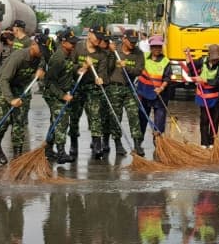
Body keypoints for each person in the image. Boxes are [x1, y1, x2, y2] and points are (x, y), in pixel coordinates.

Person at [0, 36, 46, 164]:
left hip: (20, 87)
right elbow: (4, 79)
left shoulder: (40, 58)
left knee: (19, 120)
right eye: (41, 49)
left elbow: (29, 76)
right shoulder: (19, 57)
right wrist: (11, 100)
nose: (42, 52)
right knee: (4, 121)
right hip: (2, 86)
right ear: (33, 44)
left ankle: (18, 154)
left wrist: (37, 76)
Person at [43, 28, 82, 164]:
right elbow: (49, 82)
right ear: (63, 43)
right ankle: (61, 153)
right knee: (62, 120)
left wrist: (79, 69)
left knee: (55, 122)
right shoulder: (58, 58)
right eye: (71, 43)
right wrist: (62, 96)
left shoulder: (68, 54)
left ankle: (48, 150)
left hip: (64, 91)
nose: (74, 45)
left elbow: (69, 68)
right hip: (54, 94)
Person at [69, 25, 108, 160]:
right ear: (90, 35)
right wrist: (80, 68)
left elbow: (103, 72)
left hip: (92, 88)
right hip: (77, 86)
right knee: (74, 116)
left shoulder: (101, 54)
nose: (99, 40)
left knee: (95, 115)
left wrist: (101, 78)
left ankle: (97, 143)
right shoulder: (78, 48)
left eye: (101, 38)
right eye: (98, 37)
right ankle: (73, 143)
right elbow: (69, 64)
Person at [106, 29, 145, 156]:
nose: (133, 44)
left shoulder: (139, 54)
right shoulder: (114, 49)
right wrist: (111, 54)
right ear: (124, 39)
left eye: (135, 42)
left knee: (134, 114)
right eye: (131, 41)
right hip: (114, 87)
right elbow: (105, 67)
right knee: (115, 117)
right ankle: (118, 144)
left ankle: (137, 145)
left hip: (129, 88)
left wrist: (126, 67)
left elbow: (139, 71)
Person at [186, 44, 219, 149]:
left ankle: (212, 142)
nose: (215, 61)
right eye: (213, 59)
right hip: (204, 96)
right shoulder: (202, 61)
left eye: (216, 59)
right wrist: (187, 56)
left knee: (215, 120)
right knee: (204, 120)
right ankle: (204, 143)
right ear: (209, 55)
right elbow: (191, 66)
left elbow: (218, 81)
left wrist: (204, 80)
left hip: (216, 97)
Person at [136, 35, 171, 145]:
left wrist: (161, 88)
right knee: (142, 119)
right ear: (150, 48)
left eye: (159, 47)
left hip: (159, 95)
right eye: (154, 47)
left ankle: (158, 144)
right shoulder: (144, 57)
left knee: (159, 122)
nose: (157, 49)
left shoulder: (165, 61)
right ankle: (138, 144)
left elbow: (167, 77)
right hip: (144, 93)